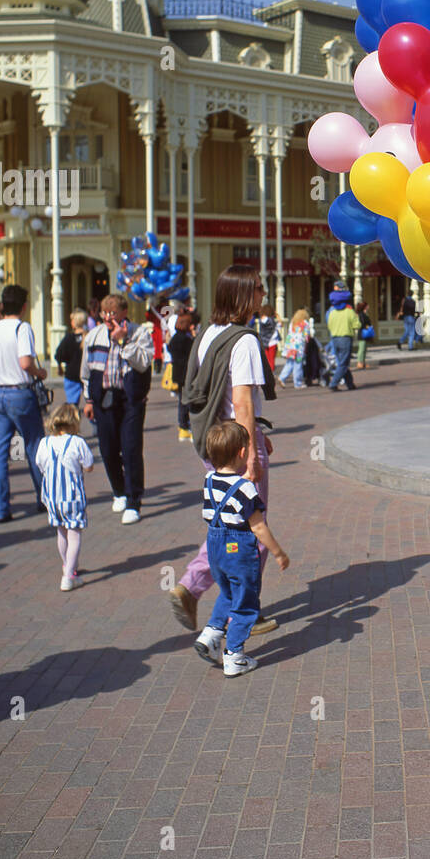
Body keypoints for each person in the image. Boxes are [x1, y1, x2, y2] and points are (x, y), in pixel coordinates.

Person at [169, 264, 278, 637]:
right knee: (250, 531)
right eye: (259, 288)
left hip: (213, 442)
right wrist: (251, 453)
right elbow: (242, 403)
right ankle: (229, 605)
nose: (264, 294)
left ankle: (208, 592)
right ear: (243, 295)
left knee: (227, 522)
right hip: (237, 443)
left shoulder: (206, 334)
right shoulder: (244, 340)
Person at [192, 420, 289, 678]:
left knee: (227, 592)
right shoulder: (245, 488)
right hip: (239, 549)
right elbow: (258, 527)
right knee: (246, 601)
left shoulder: (209, 480)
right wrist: (278, 552)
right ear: (243, 453)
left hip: (215, 547)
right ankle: (234, 655)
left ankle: (211, 634)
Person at [80, 293, 154, 523]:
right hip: (103, 398)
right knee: (108, 449)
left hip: (130, 397)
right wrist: (89, 400)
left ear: (124, 313)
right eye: (104, 313)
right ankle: (119, 491)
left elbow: (143, 362)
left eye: (113, 313)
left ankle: (134, 501)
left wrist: (124, 341)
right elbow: (86, 370)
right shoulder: (94, 336)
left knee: (131, 449)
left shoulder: (138, 333)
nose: (108, 317)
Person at [0, 284, 47, 523]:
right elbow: (25, 362)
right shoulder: (22, 327)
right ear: (24, 306)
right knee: (33, 445)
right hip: (19, 392)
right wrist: (40, 373)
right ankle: (43, 498)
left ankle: (0, 509)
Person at [35, 402, 94, 591]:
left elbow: (40, 465)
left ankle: (67, 565)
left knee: (61, 531)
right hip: (72, 496)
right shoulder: (77, 442)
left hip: (51, 496)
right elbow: (89, 465)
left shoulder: (44, 442)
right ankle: (69, 575)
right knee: (75, 533)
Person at [168, 310, 196, 440]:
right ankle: (185, 426)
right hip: (185, 374)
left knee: (182, 400)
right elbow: (193, 352)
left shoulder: (176, 337)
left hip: (178, 373)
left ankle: (183, 425)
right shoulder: (185, 339)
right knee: (186, 401)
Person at [54, 309, 88, 406]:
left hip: (72, 375)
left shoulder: (69, 338)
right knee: (92, 403)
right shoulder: (89, 336)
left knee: (72, 404)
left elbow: (59, 354)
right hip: (87, 374)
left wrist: (60, 366)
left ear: (74, 323)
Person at [327, 293, 360, 391]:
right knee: (343, 363)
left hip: (335, 339)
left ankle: (350, 384)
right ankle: (333, 383)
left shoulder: (332, 313)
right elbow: (357, 325)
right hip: (345, 339)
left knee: (342, 362)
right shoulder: (349, 312)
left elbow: (329, 326)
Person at [278, 309, 311, 388]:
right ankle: (298, 383)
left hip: (290, 346)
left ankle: (282, 377)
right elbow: (307, 336)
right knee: (298, 365)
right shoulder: (305, 323)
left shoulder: (293, 322)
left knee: (289, 363)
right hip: (299, 347)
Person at [255, 306, 281, 371]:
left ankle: (266, 374)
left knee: (266, 360)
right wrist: (277, 316)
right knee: (271, 360)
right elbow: (280, 325)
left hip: (264, 342)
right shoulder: (271, 320)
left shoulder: (261, 319)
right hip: (272, 341)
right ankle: (271, 375)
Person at [354, 300, 373, 370]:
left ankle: (363, 362)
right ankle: (360, 362)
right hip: (362, 333)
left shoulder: (365, 314)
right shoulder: (361, 314)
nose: (368, 307)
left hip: (365, 333)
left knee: (364, 349)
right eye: (367, 305)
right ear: (364, 307)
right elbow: (362, 324)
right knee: (361, 349)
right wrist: (368, 326)